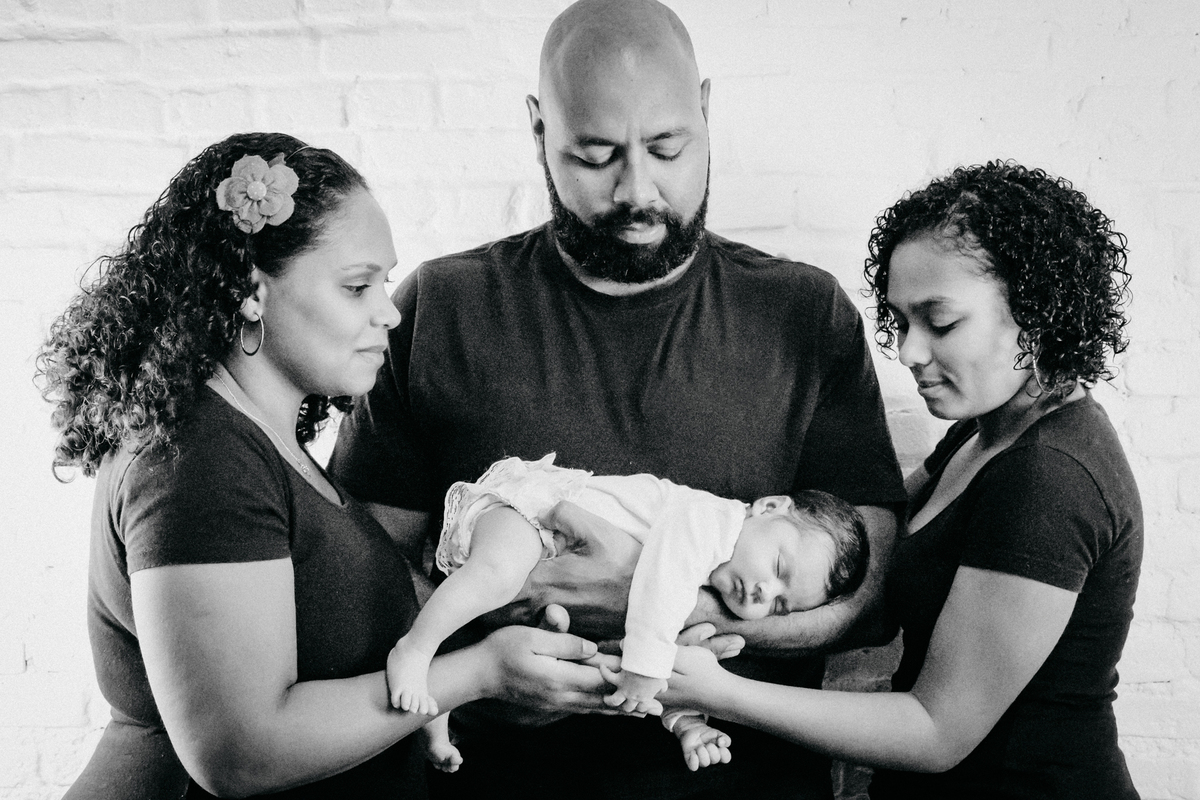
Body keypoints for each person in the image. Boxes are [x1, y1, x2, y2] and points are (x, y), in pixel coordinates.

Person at [328, 0, 906, 796]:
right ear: (538, 130)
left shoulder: (805, 316)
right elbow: (358, 578)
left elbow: (869, 596)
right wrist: (485, 661)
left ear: (705, 111)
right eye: (596, 154)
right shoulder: (440, 307)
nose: (639, 189)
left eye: (668, 147)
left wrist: (671, 606)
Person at [37, 132, 622, 799]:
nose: (390, 311)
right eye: (356, 287)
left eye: (385, 282)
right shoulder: (199, 457)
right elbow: (239, 753)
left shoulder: (267, 447)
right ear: (252, 292)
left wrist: (494, 634)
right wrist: (480, 672)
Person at [659, 161, 1143, 800]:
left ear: (1036, 312)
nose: (909, 352)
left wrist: (715, 691)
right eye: (903, 321)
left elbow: (936, 731)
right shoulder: (984, 432)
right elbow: (861, 543)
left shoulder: (1050, 477)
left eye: (939, 323)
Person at [387, 453, 869, 773]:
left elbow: (673, 656)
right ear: (768, 507)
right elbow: (660, 591)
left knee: (515, 630)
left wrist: (686, 720)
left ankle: (434, 712)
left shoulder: (716, 575)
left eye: (780, 604)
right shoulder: (712, 523)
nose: (765, 590)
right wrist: (645, 669)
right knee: (494, 575)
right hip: (536, 512)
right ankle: (414, 647)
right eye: (780, 565)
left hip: (551, 554)